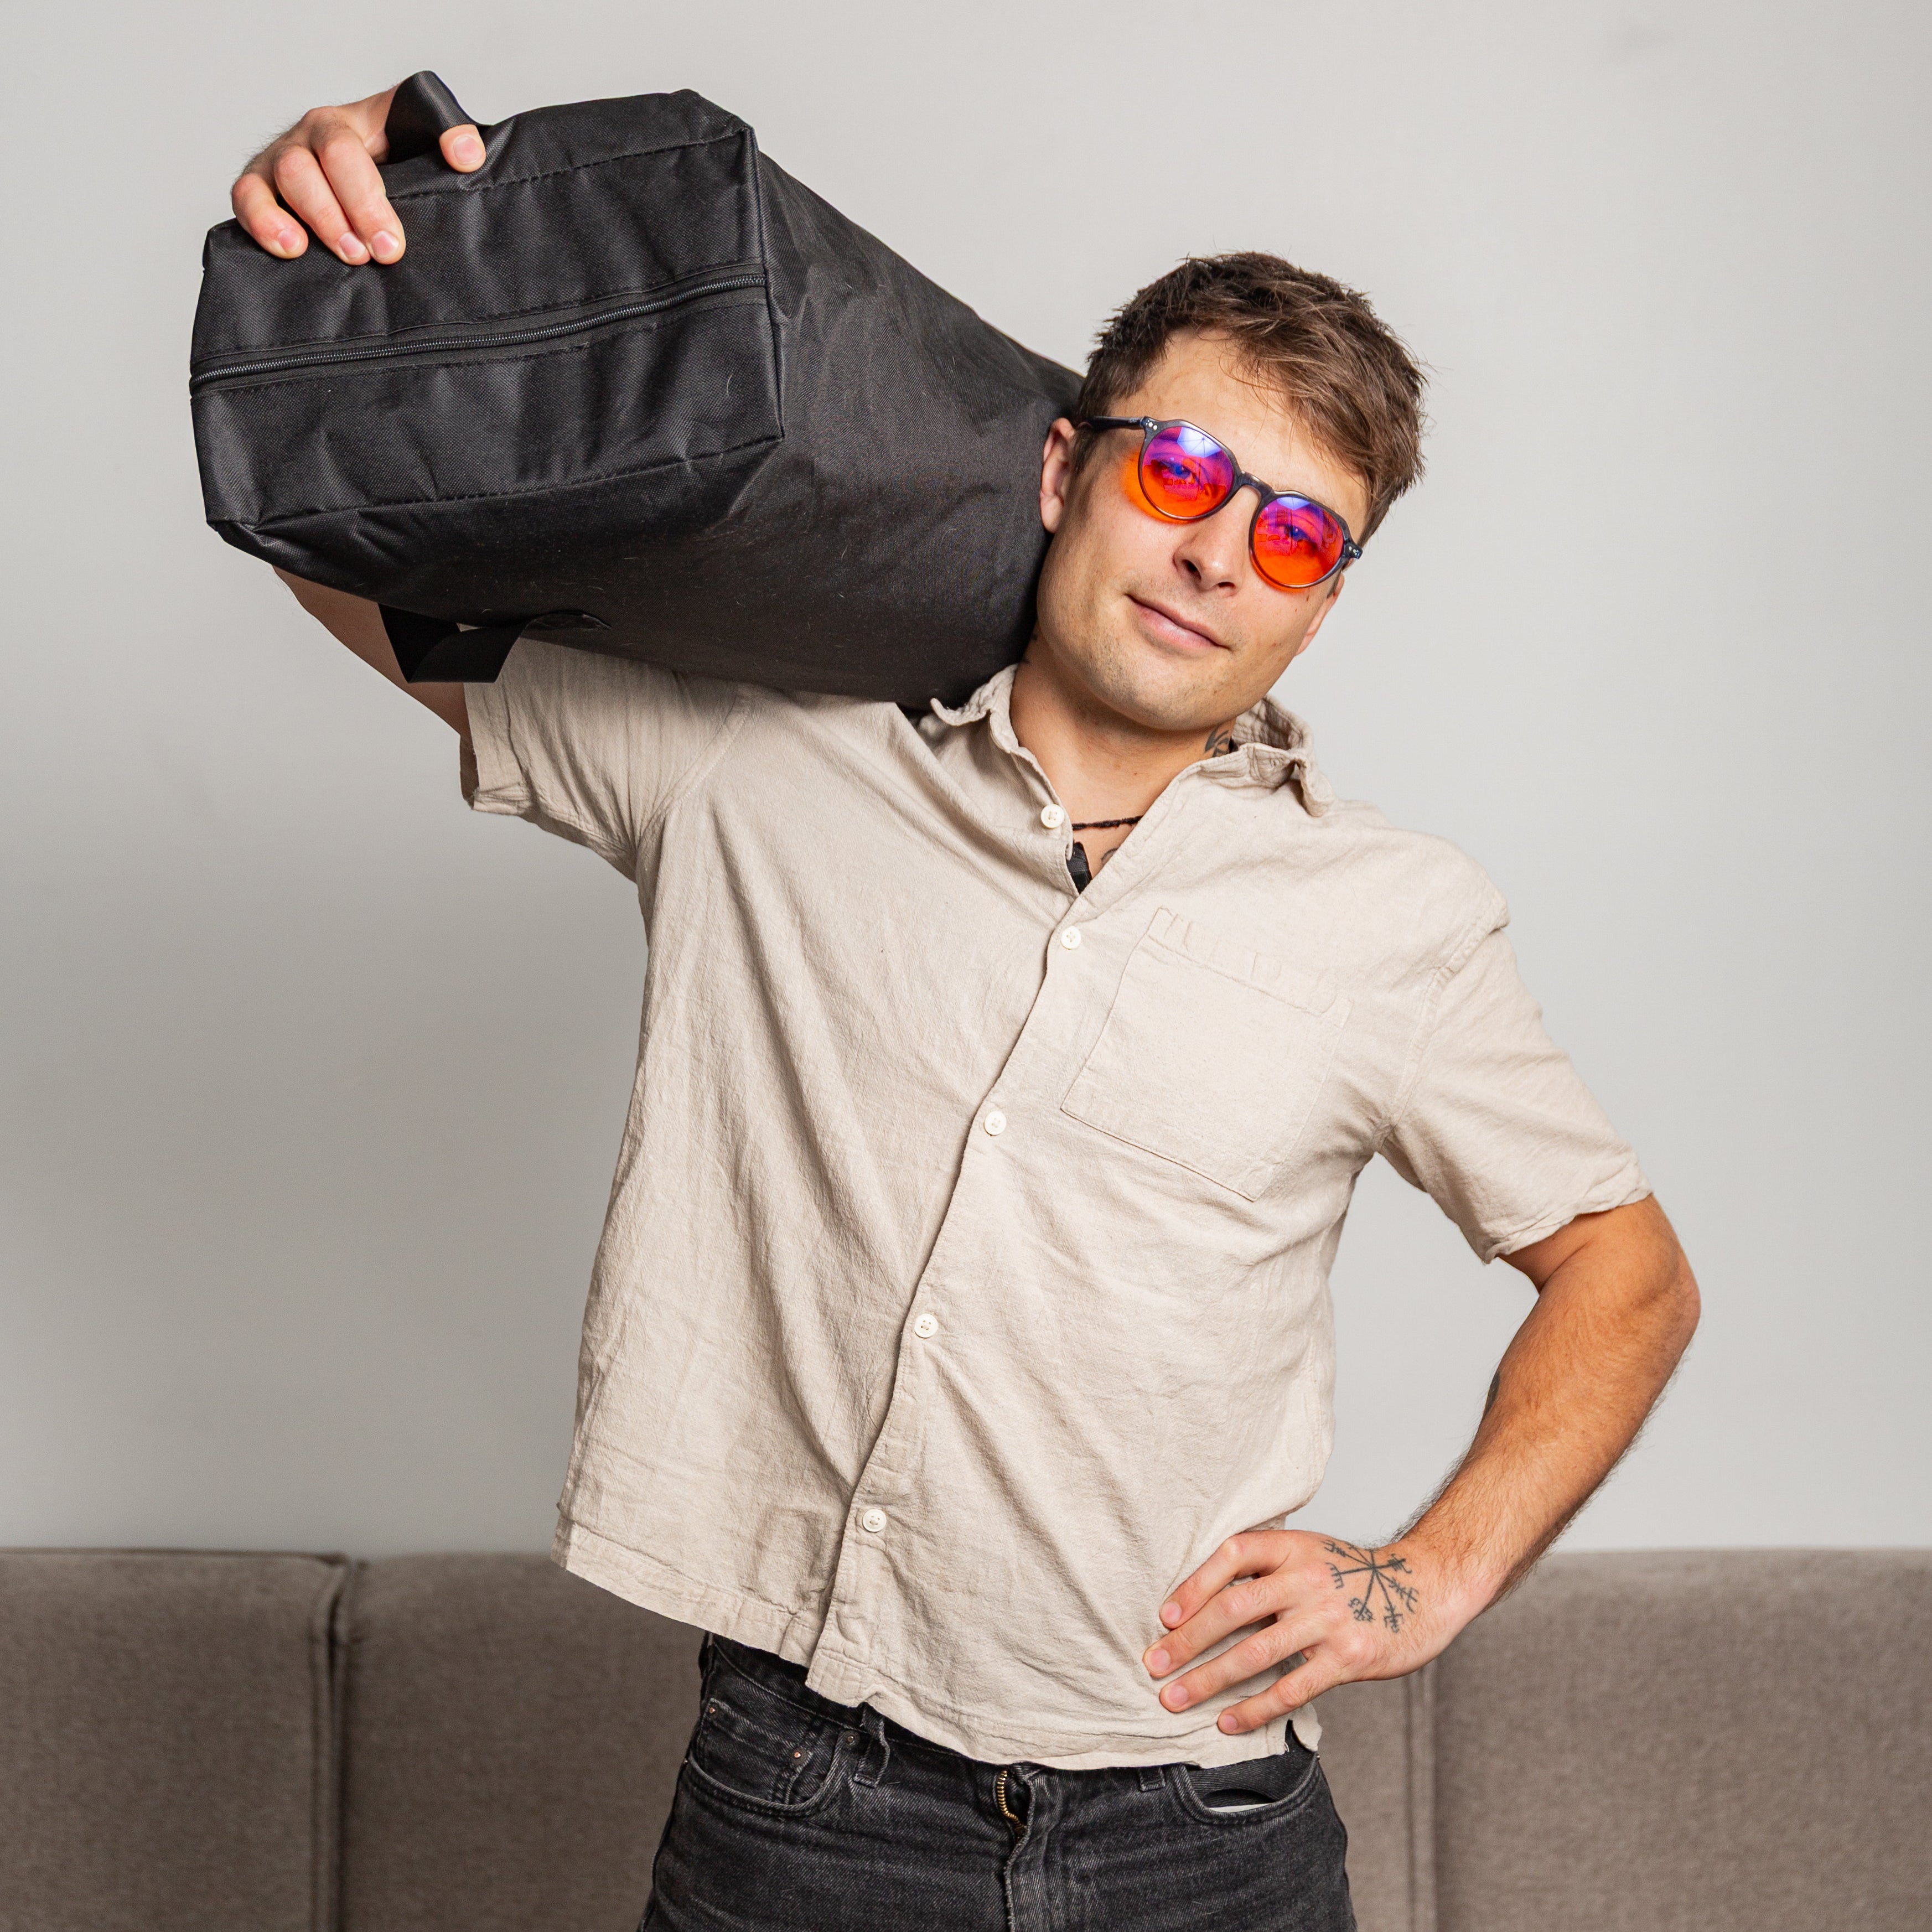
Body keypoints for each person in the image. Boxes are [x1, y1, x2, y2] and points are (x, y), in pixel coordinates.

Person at [228, 85, 1701, 1932]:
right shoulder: (754, 767)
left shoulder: (1393, 920)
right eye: (1178, 472)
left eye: (1297, 538)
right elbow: (331, 541)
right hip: (802, 1803)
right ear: (1060, 470)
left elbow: (1627, 1274)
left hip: (1208, 1835)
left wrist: (1425, 1575)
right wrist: (364, 238)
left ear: (1324, 602)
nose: (1217, 553)